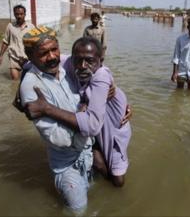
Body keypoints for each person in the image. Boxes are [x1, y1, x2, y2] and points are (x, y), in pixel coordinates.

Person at [25, 37, 132, 187]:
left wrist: (47, 109)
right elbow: (37, 60)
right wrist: (22, 85)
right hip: (96, 122)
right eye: (78, 60)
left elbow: (92, 125)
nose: (82, 66)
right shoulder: (70, 62)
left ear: (101, 60)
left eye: (89, 61)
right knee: (100, 162)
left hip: (113, 127)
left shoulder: (101, 76)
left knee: (118, 181)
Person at [20, 26, 94, 214]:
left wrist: (117, 99)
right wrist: (87, 121)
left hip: (88, 154)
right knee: (78, 210)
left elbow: (99, 69)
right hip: (66, 164)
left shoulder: (66, 68)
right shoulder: (31, 87)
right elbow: (59, 138)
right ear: (30, 55)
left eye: (55, 49)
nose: (52, 56)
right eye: (43, 53)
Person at [0, 4, 35, 80]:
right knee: (15, 80)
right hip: (14, 58)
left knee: (27, 80)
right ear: (14, 14)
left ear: (25, 14)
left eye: (21, 14)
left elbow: (36, 43)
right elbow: (5, 42)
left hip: (27, 59)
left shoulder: (31, 27)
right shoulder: (10, 26)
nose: (19, 16)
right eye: (17, 14)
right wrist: (0, 56)